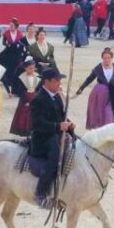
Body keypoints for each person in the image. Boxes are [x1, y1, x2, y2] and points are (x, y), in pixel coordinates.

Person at [30, 67, 74, 208]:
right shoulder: (38, 99)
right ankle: (41, 193)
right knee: (55, 156)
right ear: (47, 81)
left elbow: (61, 116)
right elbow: (37, 123)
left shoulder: (56, 97)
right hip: (43, 138)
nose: (59, 83)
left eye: (59, 80)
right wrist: (57, 126)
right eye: (56, 80)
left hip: (57, 134)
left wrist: (69, 124)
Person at [76, 48, 114, 129]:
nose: (107, 60)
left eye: (108, 58)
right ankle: (101, 128)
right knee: (100, 112)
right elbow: (89, 79)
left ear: (111, 58)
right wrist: (81, 88)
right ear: (102, 58)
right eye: (105, 58)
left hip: (112, 93)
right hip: (99, 93)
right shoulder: (98, 68)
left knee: (110, 112)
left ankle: (112, 128)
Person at [0, 17, 28, 93]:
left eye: (12, 25)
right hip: (8, 51)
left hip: (16, 52)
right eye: (10, 25)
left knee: (15, 66)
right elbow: (3, 42)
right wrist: (7, 43)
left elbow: (22, 43)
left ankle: (13, 81)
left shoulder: (20, 33)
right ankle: (6, 80)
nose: (10, 27)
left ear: (15, 26)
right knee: (4, 63)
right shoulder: (6, 32)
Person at [10, 57, 38, 137]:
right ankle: (22, 131)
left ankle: (33, 130)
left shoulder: (37, 77)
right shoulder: (22, 77)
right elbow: (19, 89)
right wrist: (25, 96)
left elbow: (39, 88)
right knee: (23, 116)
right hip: (25, 98)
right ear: (26, 68)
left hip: (34, 98)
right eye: (29, 68)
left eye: (33, 68)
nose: (31, 70)